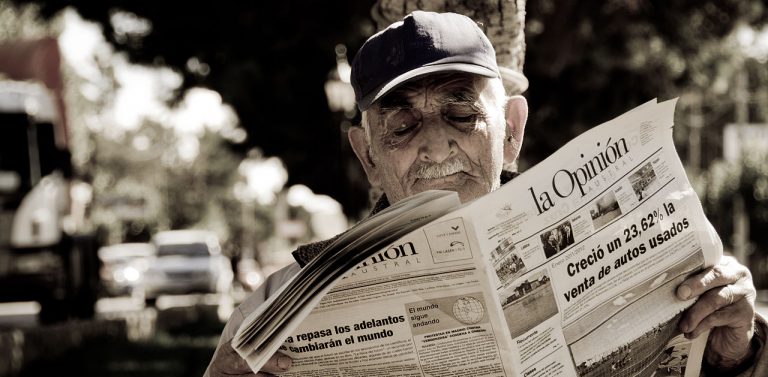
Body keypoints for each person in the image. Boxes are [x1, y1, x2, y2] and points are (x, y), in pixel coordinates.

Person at [206, 11, 766, 377]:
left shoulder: (655, 259)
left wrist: (737, 351)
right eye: (402, 127)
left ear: (512, 131)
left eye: (460, 112)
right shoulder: (285, 309)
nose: (436, 145)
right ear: (367, 154)